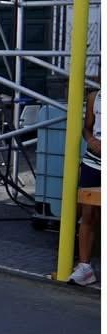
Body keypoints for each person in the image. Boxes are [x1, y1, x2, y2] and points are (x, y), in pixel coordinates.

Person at [70, 86, 100, 286]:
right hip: (92, 162)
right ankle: (85, 266)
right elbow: (86, 127)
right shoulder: (94, 97)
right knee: (87, 214)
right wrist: (90, 140)